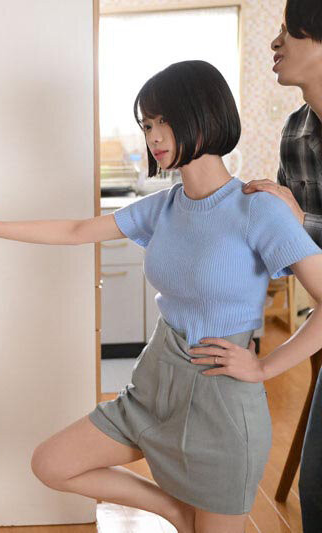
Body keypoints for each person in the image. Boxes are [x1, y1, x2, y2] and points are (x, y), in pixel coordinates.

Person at [0, 60, 322, 533]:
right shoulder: (163, 207)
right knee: (51, 462)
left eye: (165, 121)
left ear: (204, 115)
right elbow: (78, 229)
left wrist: (264, 368)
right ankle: (172, 511)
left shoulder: (259, 208)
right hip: (155, 385)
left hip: (223, 405)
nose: (154, 136)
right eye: (147, 125)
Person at [240, 1, 322, 527]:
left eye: (289, 31)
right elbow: (286, 250)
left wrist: (295, 220)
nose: (275, 43)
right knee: (316, 494)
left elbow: (294, 229)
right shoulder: (295, 132)